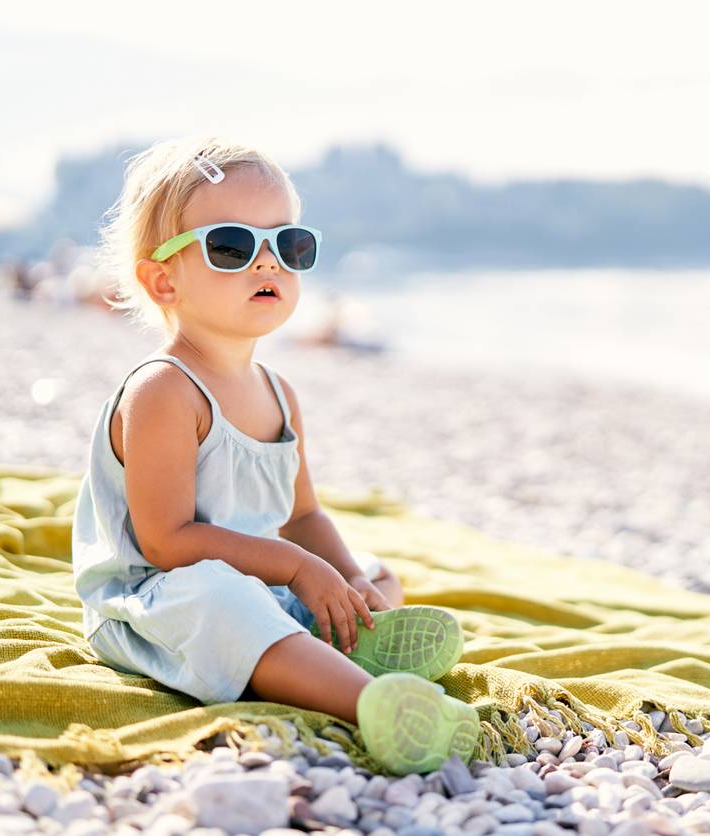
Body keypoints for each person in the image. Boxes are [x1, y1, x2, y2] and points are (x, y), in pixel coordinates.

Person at [71, 136, 478, 775]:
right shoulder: (164, 390)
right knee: (224, 602)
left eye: (288, 245)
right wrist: (294, 569)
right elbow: (164, 542)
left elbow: (303, 516)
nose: (267, 264)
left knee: (376, 574)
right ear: (162, 278)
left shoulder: (279, 394)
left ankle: (343, 645)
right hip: (157, 603)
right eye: (231, 247)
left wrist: (344, 576)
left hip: (258, 583)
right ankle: (371, 701)